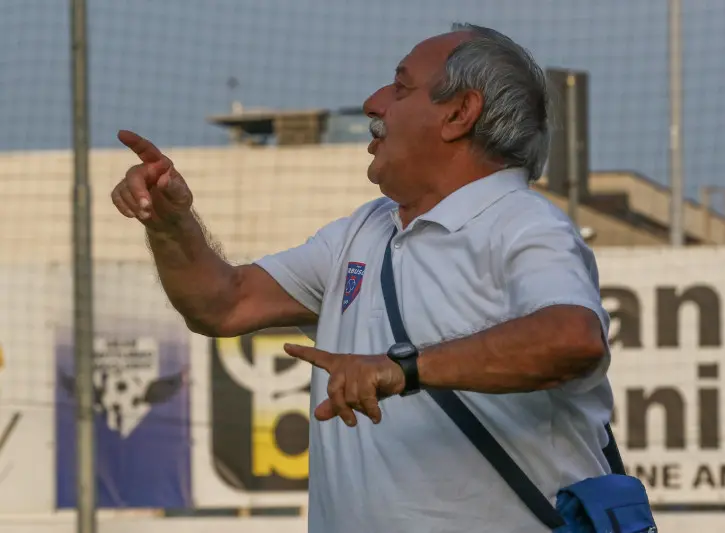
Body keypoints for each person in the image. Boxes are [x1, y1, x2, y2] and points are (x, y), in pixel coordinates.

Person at [112, 23, 615, 533]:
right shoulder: (365, 229)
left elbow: (573, 339)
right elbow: (223, 304)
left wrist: (401, 368)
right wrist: (170, 222)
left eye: (400, 87)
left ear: (459, 113)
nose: (374, 103)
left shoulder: (524, 222)